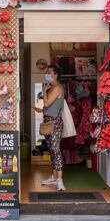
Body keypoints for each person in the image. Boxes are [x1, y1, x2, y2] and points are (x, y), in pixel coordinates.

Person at [34, 63, 66, 191]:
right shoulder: (52, 88)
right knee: (52, 149)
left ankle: (60, 180)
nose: (47, 74)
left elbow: (47, 102)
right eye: (46, 72)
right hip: (49, 121)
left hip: (54, 123)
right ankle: (54, 176)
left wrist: (43, 88)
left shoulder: (57, 88)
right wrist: (42, 110)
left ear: (56, 75)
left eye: (49, 72)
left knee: (56, 149)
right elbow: (48, 106)